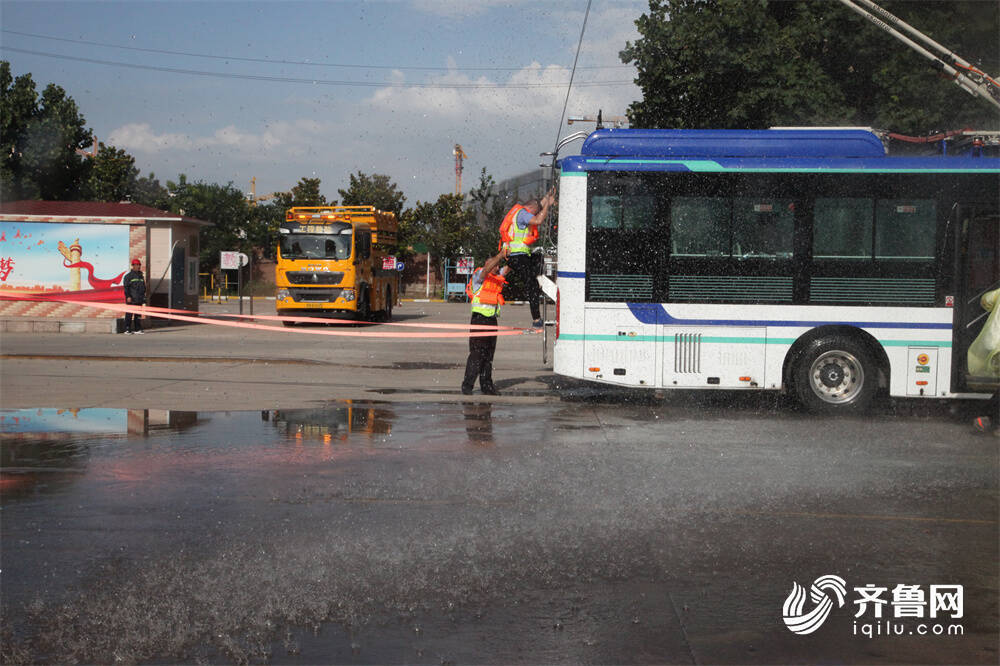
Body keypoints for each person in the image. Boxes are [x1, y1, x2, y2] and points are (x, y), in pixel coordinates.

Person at [500, 187, 556, 328]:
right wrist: (547, 206)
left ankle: (507, 267)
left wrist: (547, 196)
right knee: (532, 286)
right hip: (518, 256)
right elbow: (537, 220)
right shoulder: (524, 214)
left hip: (518, 256)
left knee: (538, 257)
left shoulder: (518, 211)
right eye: (535, 211)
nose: (535, 213)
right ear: (530, 208)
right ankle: (536, 319)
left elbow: (537, 206)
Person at [461, 247, 509, 396]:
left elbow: (508, 268)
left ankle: (486, 386)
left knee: (488, 355)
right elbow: (487, 269)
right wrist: (500, 255)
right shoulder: (479, 276)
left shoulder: (496, 277)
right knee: (477, 354)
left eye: (497, 265)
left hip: (491, 320)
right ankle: (467, 385)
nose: (497, 267)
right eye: (494, 265)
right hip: (479, 319)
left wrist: (515, 254)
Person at [123, 258, 146, 334]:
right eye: (136, 265)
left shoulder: (141, 276)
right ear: (133, 266)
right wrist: (128, 296)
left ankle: (137, 329)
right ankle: (127, 329)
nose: (138, 266)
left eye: (139, 265)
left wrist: (143, 297)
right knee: (129, 315)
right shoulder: (128, 276)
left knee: (138, 315)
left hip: (139, 299)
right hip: (132, 299)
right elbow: (126, 288)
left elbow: (143, 288)